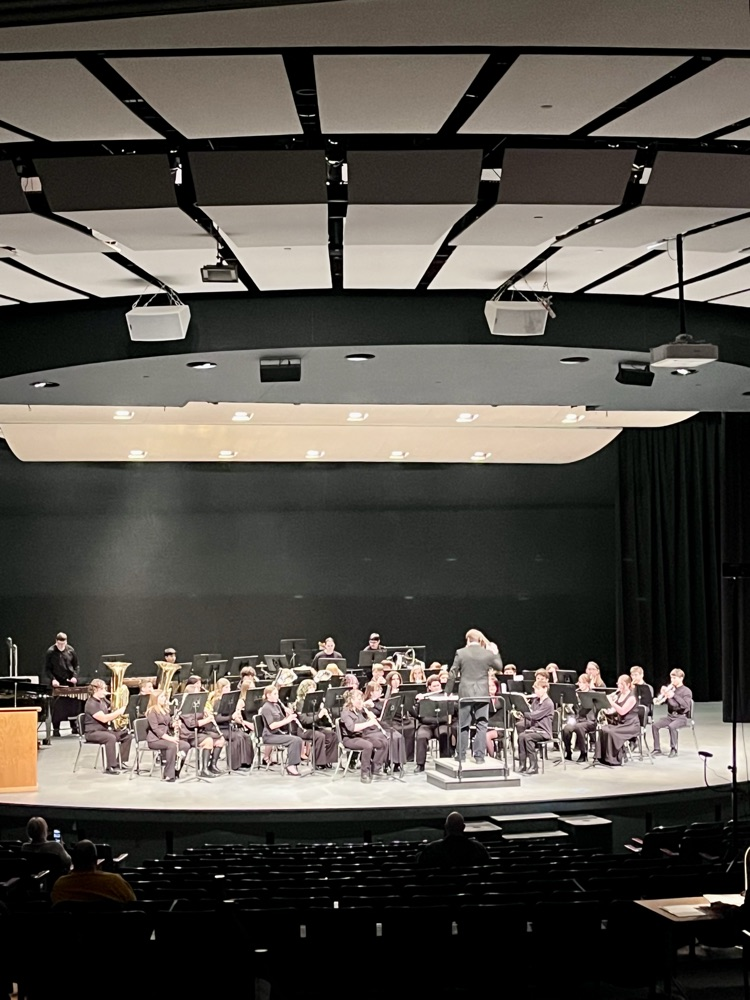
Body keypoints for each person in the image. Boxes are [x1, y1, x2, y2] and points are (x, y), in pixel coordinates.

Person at [445, 628, 503, 764]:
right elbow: (499, 667)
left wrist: (447, 690)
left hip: (465, 693)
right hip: (482, 694)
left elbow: (452, 673)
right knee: (482, 725)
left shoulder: (461, 653)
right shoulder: (487, 653)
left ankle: (461, 756)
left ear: (468, 640)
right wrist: (495, 652)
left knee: (463, 725)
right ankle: (479, 757)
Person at [51, 840, 135, 905]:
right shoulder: (115, 882)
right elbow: (132, 903)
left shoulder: (60, 885)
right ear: (96, 860)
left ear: (73, 861)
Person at [83, 678, 133, 775]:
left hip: (103, 730)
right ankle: (110, 766)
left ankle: (120, 762)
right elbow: (104, 719)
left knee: (127, 736)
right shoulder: (91, 704)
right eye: (103, 689)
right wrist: (119, 712)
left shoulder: (102, 700)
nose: (105, 691)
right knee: (110, 738)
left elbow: (112, 708)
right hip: (92, 732)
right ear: (96, 689)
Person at [178, 676, 225, 777]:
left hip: (198, 732)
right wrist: (207, 719)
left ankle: (212, 765)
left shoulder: (197, 705)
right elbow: (191, 724)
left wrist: (205, 713)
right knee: (208, 741)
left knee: (220, 740)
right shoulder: (184, 707)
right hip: (187, 736)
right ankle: (203, 770)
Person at [339, 688, 389, 783]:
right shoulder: (345, 712)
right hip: (349, 738)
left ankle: (376, 768)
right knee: (368, 745)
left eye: (361, 699)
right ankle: (364, 773)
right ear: (352, 700)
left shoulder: (359, 710)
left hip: (361, 736)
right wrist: (369, 723)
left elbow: (365, 722)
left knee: (383, 743)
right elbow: (352, 728)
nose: (361, 702)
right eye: (359, 699)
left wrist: (370, 716)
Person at [207, 677, 254, 770]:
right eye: (226, 688)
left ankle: (246, 762)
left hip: (227, 726)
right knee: (237, 737)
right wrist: (231, 717)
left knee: (246, 736)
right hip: (218, 729)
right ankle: (234, 765)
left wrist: (237, 717)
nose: (229, 690)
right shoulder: (216, 701)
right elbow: (217, 718)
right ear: (220, 689)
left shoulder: (227, 700)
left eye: (229, 688)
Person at [417, 811, 491, 869]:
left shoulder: (432, 850)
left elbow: (421, 863)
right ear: (463, 827)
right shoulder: (479, 849)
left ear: (446, 827)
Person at [414, 675, 457, 772]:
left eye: (438, 685)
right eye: (434, 686)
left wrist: (451, 701)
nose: (437, 688)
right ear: (429, 687)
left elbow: (454, 711)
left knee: (444, 734)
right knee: (421, 736)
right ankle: (420, 764)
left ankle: (445, 763)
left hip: (442, 724)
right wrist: (417, 703)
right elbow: (417, 715)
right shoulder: (424, 698)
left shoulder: (445, 696)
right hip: (426, 725)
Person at [145, 690, 189, 782]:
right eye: (161, 697)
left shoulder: (165, 710)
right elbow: (156, 729)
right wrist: (170, 738)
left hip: (165, 738)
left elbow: (167, 724)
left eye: (164, 696)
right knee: (172, 745)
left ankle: (176, 771)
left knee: (185, 745)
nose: (164, 699)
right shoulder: (152, 711)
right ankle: (168, 775)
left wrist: (174, 724)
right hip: (154, 740)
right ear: (155, 699)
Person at [293, 678, 337, 768]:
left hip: (315, 727)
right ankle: (318, 763)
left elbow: (320, 721)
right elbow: (304, 720)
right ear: (304, 690)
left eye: (314, 688)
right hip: (304, 729)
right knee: (320, 736)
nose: (313, 691)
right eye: (310, 688)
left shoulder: (315, 702)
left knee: (332, 735)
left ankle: (327, 760)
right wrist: (319, 716)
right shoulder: (300, 703)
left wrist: (325, 714)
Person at [259, 685, 303, 776]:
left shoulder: (276, 706)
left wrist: (289, 716)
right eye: (274, 694)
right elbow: (272, 726)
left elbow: (283, 722)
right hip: (269, 736)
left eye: (277, 694)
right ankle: (291, 766)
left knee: (298, 739)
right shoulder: (266, 708)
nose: (277, 696)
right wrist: (288, 720)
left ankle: (293, 764)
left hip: (277, 734)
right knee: (294, 740)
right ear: (268, 695)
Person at [597, 674, 640, 766]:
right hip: (621, 723)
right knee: (603, 729)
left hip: (631, 725)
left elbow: (622, 711)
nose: (619, 686)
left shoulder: (632, 698)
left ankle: (614, 759)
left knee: (612, 732)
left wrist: (611, 702)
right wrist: (606, 708)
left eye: (621, 684)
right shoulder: (619, 694)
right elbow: (613, 710)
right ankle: (603, 757)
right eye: (618, 684)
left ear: (628, 685)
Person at [45, 631, 79, 737]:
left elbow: (76, 666)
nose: (61, 646)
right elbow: (47, 669)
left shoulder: (71, 650)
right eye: (59, 644)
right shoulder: (50, 652)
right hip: (57, 683)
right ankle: (56, 729)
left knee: (72, 705)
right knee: (57, 707)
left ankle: (74, 727)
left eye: (63, 644)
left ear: (66, 642)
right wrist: (53, 679)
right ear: (56, 641)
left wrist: (74, 677)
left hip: (69, 682)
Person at [652, 669, 693, 757]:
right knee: (655, 725)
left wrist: (673, 695)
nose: (672, 680)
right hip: (670, 716)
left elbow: (685, 706)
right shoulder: (671, 689)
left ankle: (673, 748)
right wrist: (660, 698)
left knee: (672, 726)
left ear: (681, 678)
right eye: (671, 678)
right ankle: (657, 749)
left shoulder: (686, 691)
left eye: (674, 678)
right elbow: (666, 702)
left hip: (681, 717)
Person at [516, 677, 553, 774]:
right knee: (521, 736)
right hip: (534, 729)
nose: (536, 691)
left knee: (528, 738)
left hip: (544, 731)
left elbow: (534, 715)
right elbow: (530, 712)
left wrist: (524, 713)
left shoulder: (548, 703)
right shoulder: (536, 701)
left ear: (545, 689)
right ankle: (522, 764)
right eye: (535, 689)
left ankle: (534, 766)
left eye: (538, 689)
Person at [562, 673, 595, 763]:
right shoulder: (577, 694)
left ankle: (583, 753)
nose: (579, 685)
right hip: (578, 720)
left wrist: (579, 699)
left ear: (587, 683)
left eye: (582, 683)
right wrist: (570, 706)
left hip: (589, 720)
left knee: (579, 727)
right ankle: (568, 751)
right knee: (566, 729)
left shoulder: (592, 694)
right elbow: (575, 711)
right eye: (579, 683)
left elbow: (588, 709)